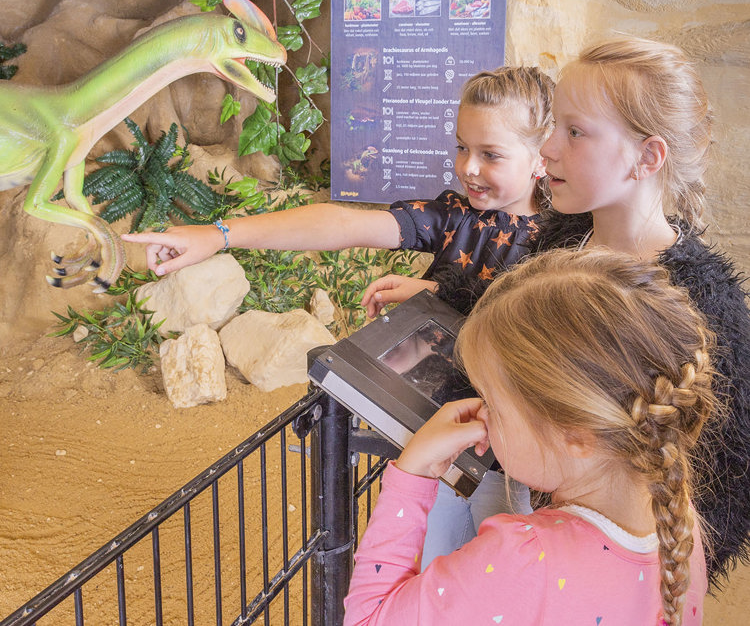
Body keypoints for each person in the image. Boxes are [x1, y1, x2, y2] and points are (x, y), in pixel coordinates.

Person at [387, 35, 749, 587]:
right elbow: (514, 319)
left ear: (647, 156)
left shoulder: (696, 305)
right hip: (517, 503)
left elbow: (723, 483)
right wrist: (439, 300)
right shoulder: (563, 236)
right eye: (555, 124)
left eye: (574, 132)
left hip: (598, 571)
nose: (548, 148)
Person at [343, 248, 717, 626]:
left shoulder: (523, 558)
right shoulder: (679, 522)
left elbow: (368, 619)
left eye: (492, 401)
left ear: (576, 436)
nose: (481, 412)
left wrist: (413, 474)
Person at [122, 66, 554, 300]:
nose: (468, 169)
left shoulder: (566, 240)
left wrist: (436, 292)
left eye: (491, 155)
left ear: (542, 158)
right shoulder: (454, 217)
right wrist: (219, 235)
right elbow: (343, 225)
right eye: (462, 147)